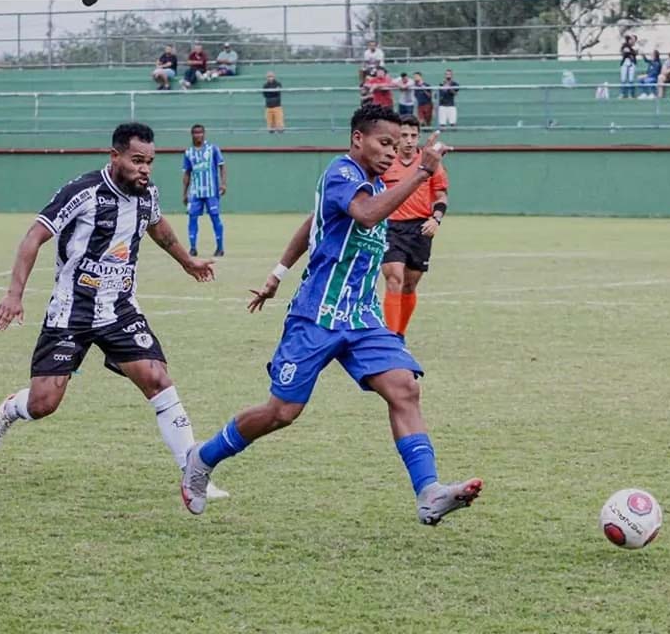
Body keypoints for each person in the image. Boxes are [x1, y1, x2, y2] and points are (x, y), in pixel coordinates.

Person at [180, 105, 482, 524]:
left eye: (397, 145)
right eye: (384, 143)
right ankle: (203, 457)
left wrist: (276, 274)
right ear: (358, 138)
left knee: (404, 388)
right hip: (316, 316)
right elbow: (365, 214)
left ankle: (428, 491)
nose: (392, 153)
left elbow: (312, 223)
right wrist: (421, 173)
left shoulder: (374, 184)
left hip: (362, 317)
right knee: (280, 413)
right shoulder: (343, 174)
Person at [0, 122, 228, 501]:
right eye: (136, 161)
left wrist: (187, 262)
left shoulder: (147, 196)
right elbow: (34, 236)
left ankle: (192, 474)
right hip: (71, 311)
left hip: (119, 309)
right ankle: (11, 410)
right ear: (114, 157)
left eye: (149, 162)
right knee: (43, 403)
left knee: (157, 378)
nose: (144, 169)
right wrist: (14, 295)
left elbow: (158, 228)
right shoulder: (82, 192)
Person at [380, 114, 449, 338]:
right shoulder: (386, 162)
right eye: (404, 135)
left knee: (409, 285)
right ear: (396, 138)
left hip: (420, 229)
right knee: (394, 277)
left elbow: (441, 195)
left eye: (413, 135)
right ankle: (390, 338)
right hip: (391, 227)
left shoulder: (430, 162)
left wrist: (435, 219)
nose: (409, 140)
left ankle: (399, 333)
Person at [182, 124, 226, 257]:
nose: (198, 135)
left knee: (215, 217)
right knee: (192, 218)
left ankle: (220, 248)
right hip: (195, 192)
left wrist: (223, 184)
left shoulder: (212, 149)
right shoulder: (188, 152)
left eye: (200, 132)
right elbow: (187, 173)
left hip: (211, 191)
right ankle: (193, 248)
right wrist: (185, 192)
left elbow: (222, 166)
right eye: (195, 133)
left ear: (204, 134)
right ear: (192, 135)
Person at [619, 35, 637, 99]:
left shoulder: (636, 47)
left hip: (632, 63)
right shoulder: (625, 45)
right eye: (630, 39)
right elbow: (624, 51)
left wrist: (631, 52)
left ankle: (631, 94)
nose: (631, 41)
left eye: (633, 39)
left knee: (631, 80)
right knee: (623, 79)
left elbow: (634, 52)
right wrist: (631, 52)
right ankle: (622, 94)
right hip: (625, 63)